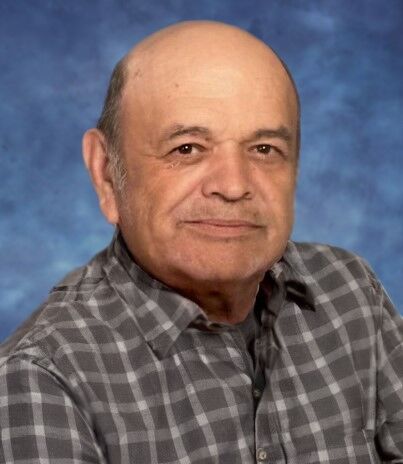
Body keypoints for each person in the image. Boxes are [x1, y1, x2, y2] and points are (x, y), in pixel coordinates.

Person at [0, 20, 402, 464]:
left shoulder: (351, 293)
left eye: (264, 149)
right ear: (106, 174)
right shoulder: (42, 375)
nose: (233, 185)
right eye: (187, 148)